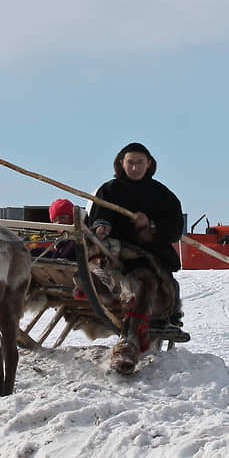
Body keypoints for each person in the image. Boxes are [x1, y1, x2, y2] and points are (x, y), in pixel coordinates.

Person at [88, 142, 186, 354]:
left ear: (149, 164)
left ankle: (154, 324)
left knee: (150, 281)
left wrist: (151, 226)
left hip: (147, 254)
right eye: (130, 162)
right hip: (113, 252)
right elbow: (99, 215)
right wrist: (102, 226)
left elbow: (175, 227)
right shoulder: (108, 190)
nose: (134, 168)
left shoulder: (163, 194)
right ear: (121, 163)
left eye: (139, 163)